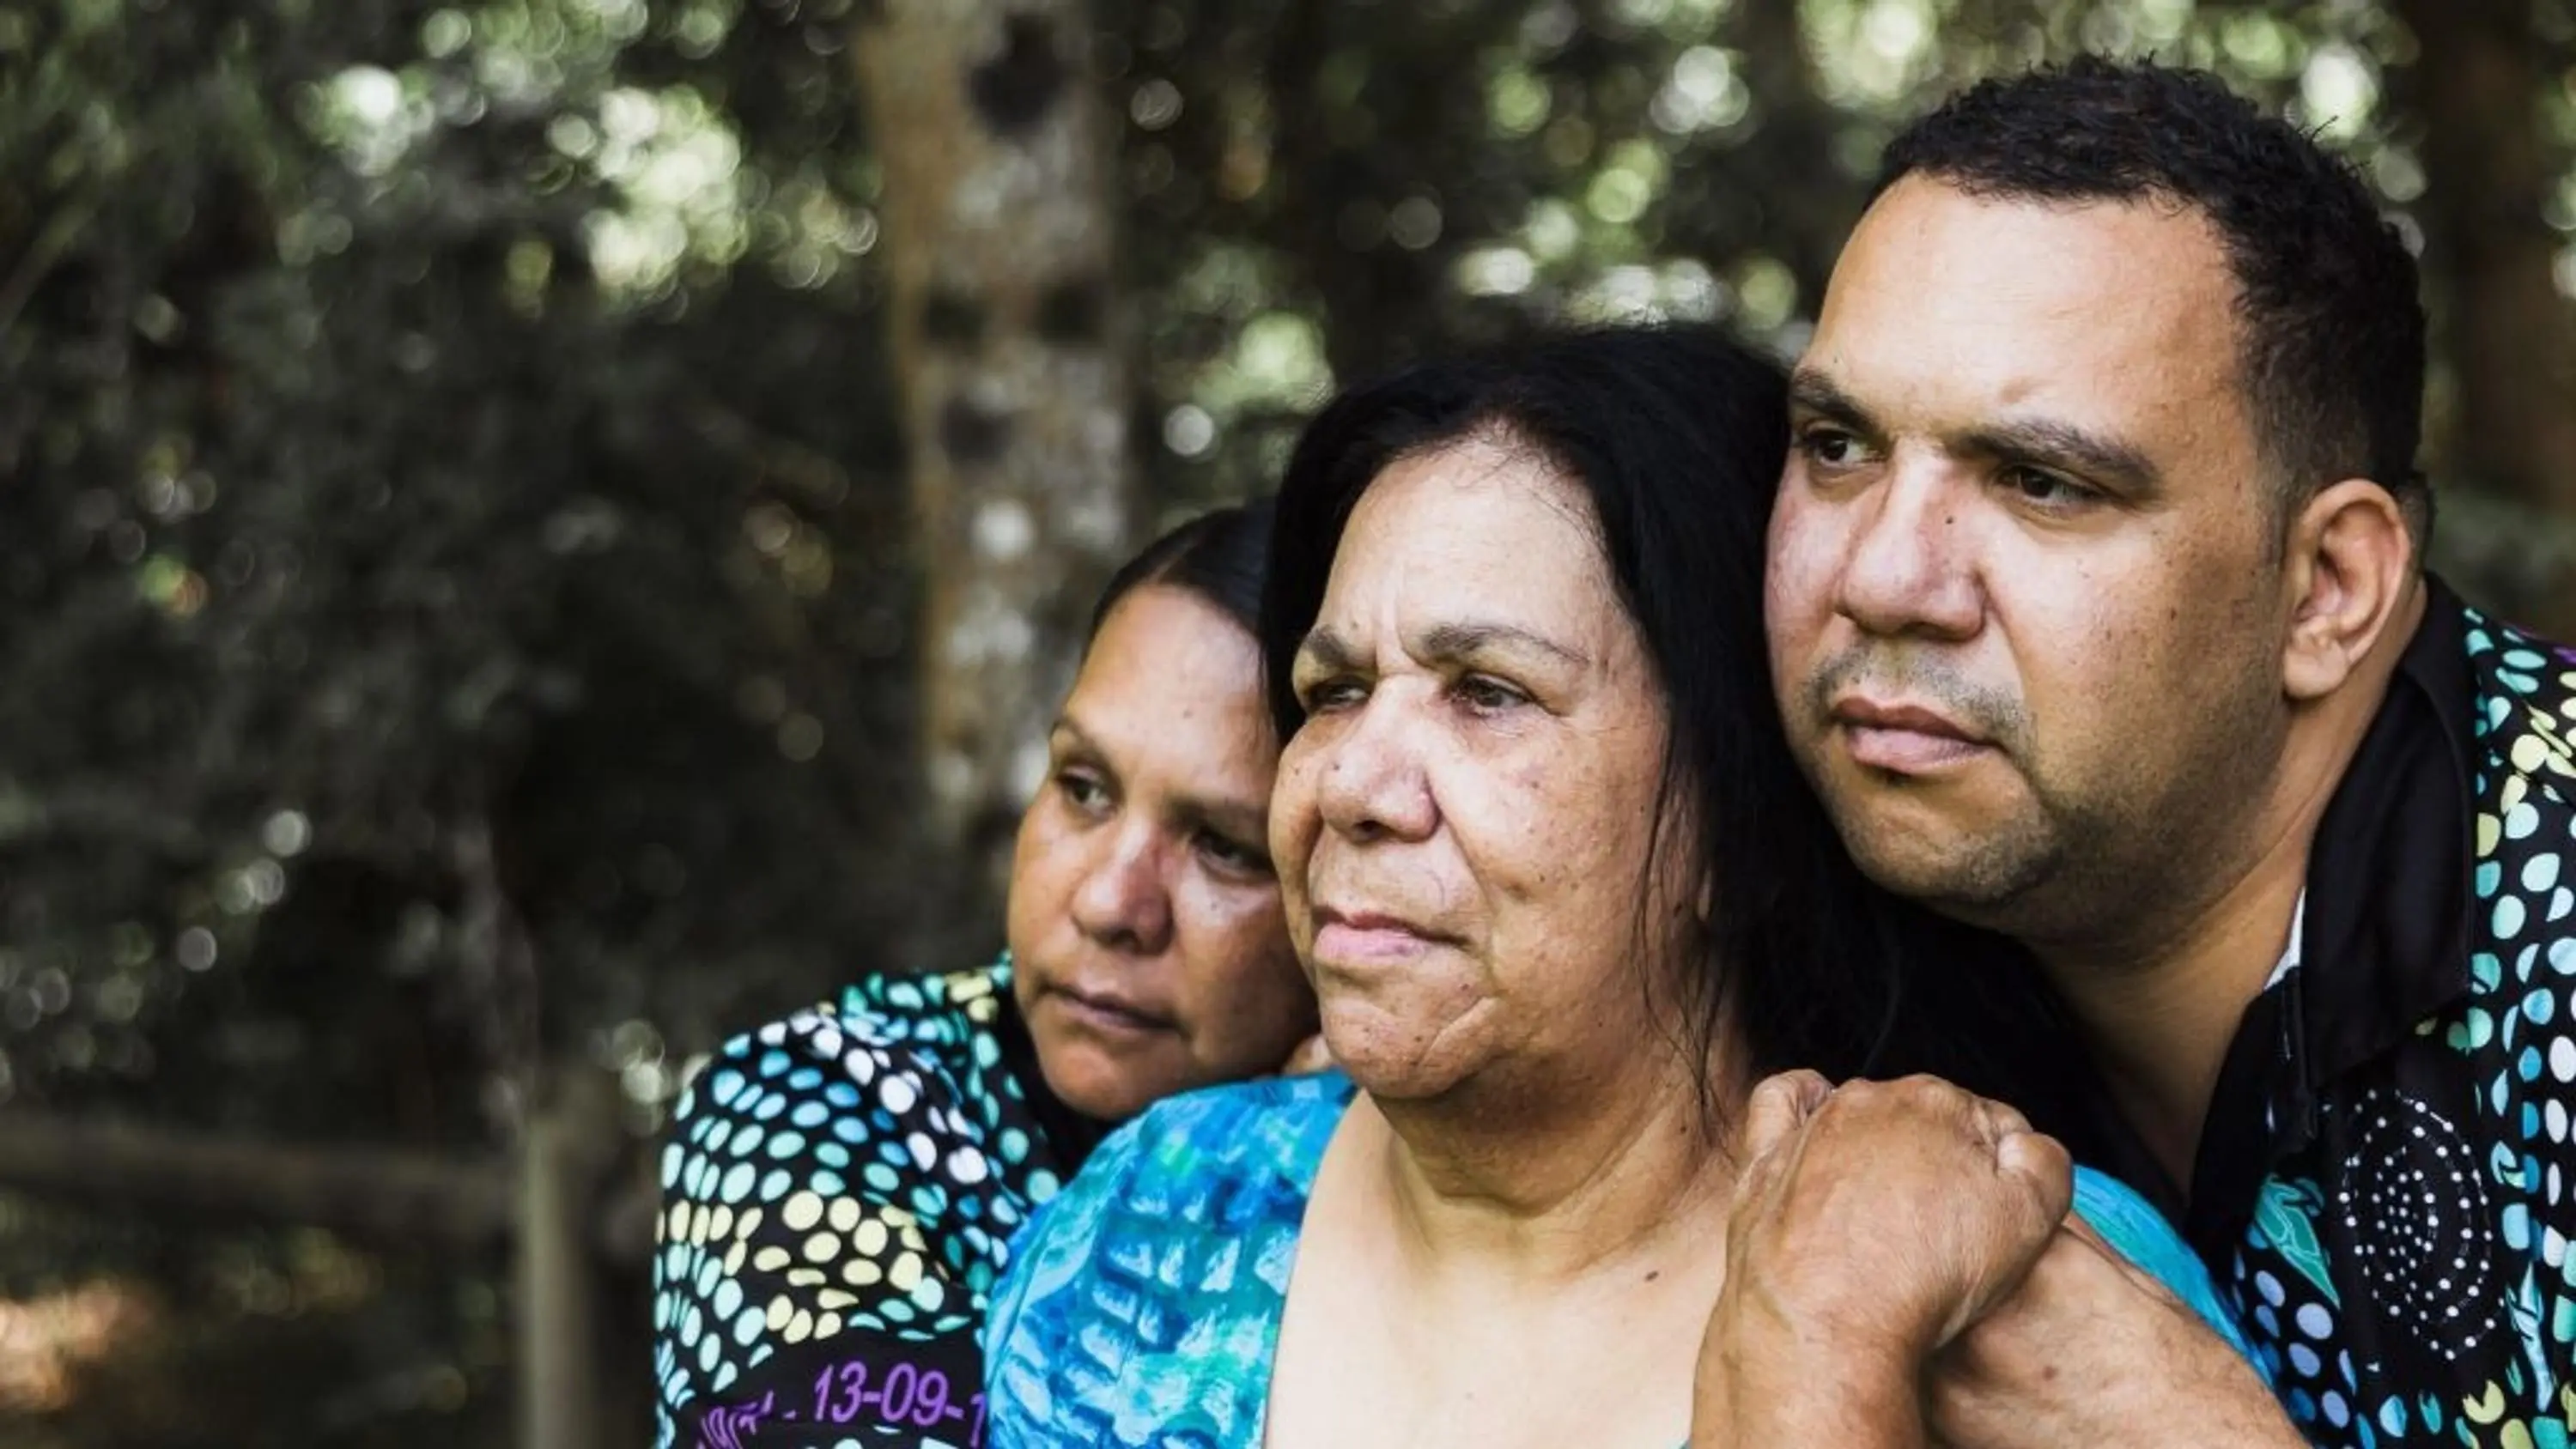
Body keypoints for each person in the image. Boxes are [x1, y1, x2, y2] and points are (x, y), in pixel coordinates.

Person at [981, 324, 2252, 1448]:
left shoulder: (2010, 1281)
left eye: (1488, 693)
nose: (1351, 786)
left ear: (1737, 828)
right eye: (1337, 691)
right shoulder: (1161, 1217)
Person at [1711, 56, 2576, 1448]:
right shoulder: (1776, 867)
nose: (1882, 575)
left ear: (2326, 591)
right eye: (1836, 444)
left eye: (2043, 481)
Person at [650, 501, 1321, 1449]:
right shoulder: (821, 1103)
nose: (1109, 902)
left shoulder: (1425, 1155)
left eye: (1222, 845)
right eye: (1083, 786)